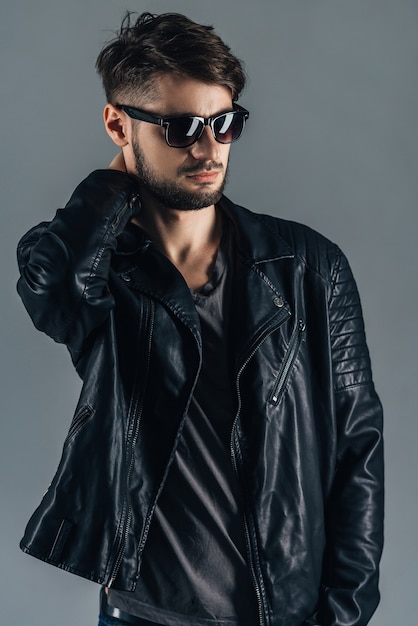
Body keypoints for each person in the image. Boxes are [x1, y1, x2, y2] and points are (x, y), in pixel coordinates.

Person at [16, 11, 384, 626]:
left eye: (224, 123)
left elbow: (358, 449)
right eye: (181, 127)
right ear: (117, 123)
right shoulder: (106, 271)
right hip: (140, 616)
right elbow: (54, 289)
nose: (209, 147)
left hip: (280, 613)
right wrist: (113, 186)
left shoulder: (308, 267)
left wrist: (342, 616)